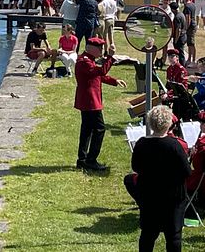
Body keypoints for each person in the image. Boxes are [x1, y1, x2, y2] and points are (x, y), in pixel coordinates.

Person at [125, 105, 191, 252]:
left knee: (148, 233)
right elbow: (186, 171)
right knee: (173, 235)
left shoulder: (142, 143)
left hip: (149, 194)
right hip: (173, 196)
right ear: (168, 124)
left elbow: (136, 167)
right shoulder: (175, 145)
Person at [74, 37, 127, 171]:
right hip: (90, 101)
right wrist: (110, 56)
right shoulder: (84, 61)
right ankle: (91, 160)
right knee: (99, 129)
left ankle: (82, 159)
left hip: (88, 101)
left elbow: (98, 75)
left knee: (87, 130)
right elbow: (101, 71)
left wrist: (114, 81)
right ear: (91, 48)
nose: (101, 51)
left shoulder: (87, 60)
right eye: (100, 48)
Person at [180, 0, 197, 65]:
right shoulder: (193, 4)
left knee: (191, 43)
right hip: (194, 24)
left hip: (190, 26)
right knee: (190, 43)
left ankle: (192, 60)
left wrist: (186, 28)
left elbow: (188, 17)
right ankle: (190, 58)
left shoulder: (187, 6)